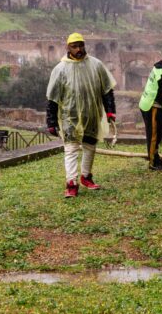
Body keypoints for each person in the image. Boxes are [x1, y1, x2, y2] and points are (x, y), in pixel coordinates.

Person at [46, 33, 117, 198]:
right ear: (68, 47)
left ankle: (86, 177)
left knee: (90, 147)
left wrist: (110, 110)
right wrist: (50, 121)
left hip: (92, 115)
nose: (78, 49)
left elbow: (107, 90)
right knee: (71, 149)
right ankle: (71, 183)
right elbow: (53, 98)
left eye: (81, 45)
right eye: (74, 46)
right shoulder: (60, 69)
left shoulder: (96, 65)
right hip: (69, 117)